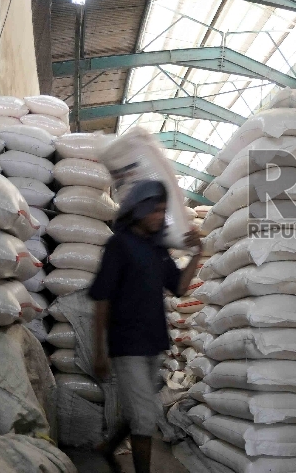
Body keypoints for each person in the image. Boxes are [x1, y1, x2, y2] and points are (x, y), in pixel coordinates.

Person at [89, 180, 203, 473]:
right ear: (139, 210)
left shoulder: (157, 249)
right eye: (155, 210)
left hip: (153, 342)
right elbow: (102, 299)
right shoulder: (119, 245)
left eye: (163, 211)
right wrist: (99, 351)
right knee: (145, 419)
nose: (159, 217)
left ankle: (108, 446)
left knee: (142, 412)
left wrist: (197, 254)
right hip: (126, 344)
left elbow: (178, 286)